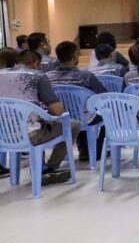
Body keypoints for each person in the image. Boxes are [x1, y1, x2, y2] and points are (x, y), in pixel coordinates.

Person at [0, 50, 81, 184]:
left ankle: (40, 168)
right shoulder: (37, 76)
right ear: (35, 63)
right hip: (30, 134)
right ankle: (49, 168)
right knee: (73, 125)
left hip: (3, 135)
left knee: (37, 122)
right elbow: (58, 111)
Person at [46, 41, 108, 161]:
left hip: (59, 118)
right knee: (103, 114)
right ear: (75, 55)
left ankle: (83, 148)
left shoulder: (47, 77)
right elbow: (104, 95)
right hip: (84, 118)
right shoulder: (86, 76)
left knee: (78, 111)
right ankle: (97, 150)